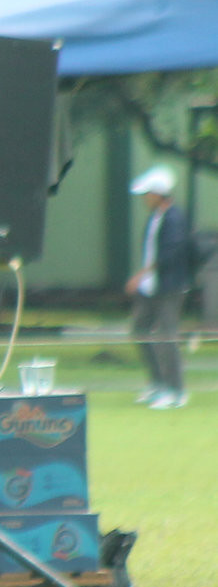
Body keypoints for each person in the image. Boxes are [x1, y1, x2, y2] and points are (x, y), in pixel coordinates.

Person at [126, 165, 192, 410]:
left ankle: (176, 391)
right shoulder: (156, 217)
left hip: (169, 288)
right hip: (150, 287)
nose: (144, 198)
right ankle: (157, 383)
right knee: (140, 329)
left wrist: (141, 275)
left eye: (147, 194)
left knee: (167, 337)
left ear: (158, 193)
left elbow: (169, 254)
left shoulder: (174, 218)